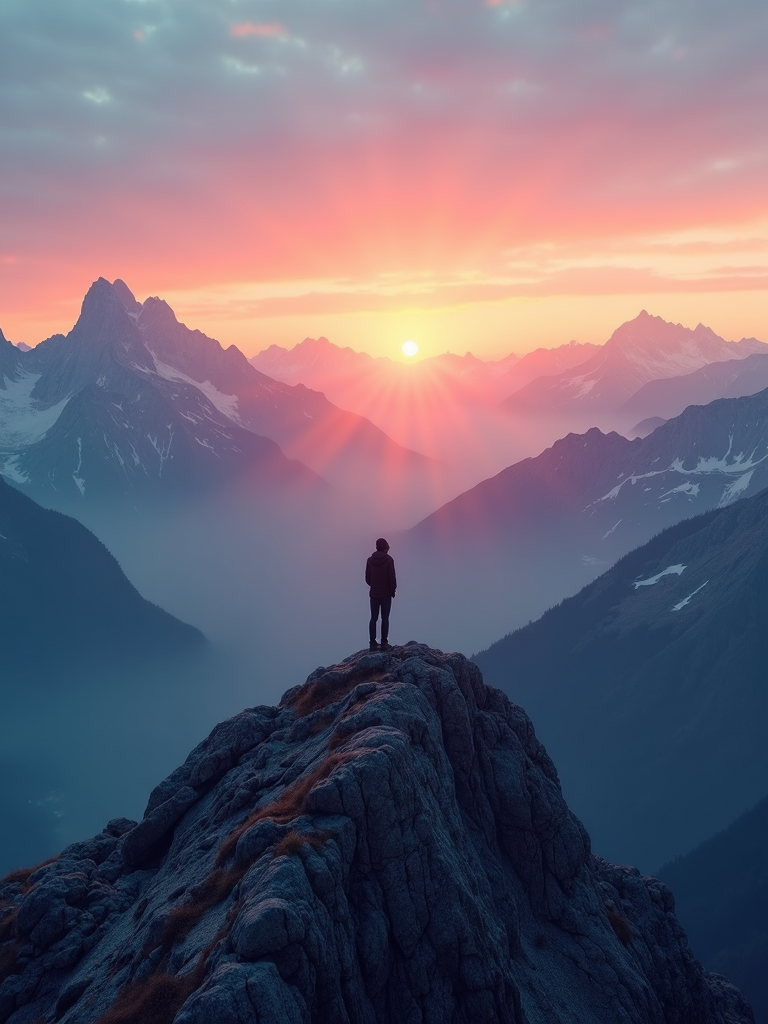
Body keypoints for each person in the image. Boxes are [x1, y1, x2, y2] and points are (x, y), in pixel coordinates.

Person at [365, 538, 396, 650]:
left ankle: (372, 643)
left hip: (373, 593)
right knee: (385, 618)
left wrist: (374, 586)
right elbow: (392, 577)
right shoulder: (389, 560)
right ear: (385, 547)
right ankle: (384, 643)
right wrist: (392, 590)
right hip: (386, 594)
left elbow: (367, 578)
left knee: (373, 618)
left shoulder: (370, 560)